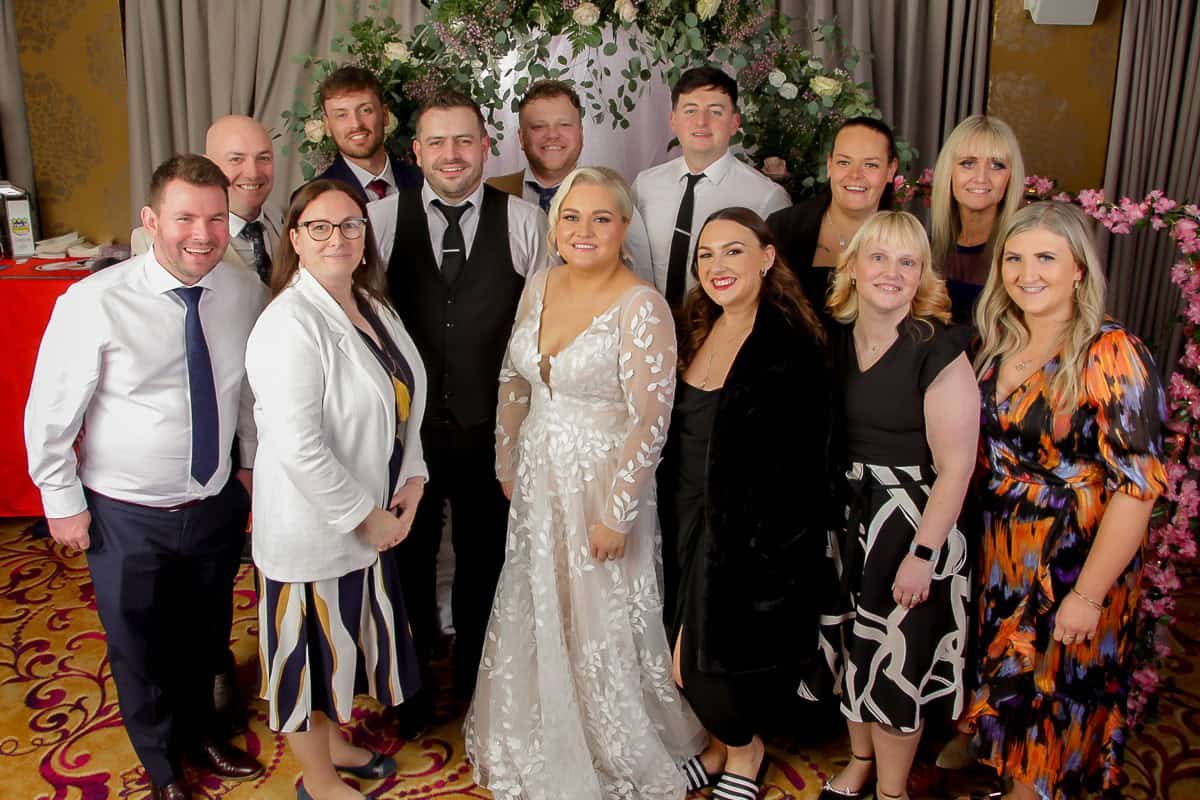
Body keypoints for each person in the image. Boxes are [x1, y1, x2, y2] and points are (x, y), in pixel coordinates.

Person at [25, 154, 267, 800]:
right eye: (185, 218)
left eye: (216, 219)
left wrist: (247, 466)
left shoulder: (243, 292)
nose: (203, 235)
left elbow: (247, 393)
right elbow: (51, 411)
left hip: (213, 501)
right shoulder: (94, 302)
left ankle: (202, 734)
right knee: (139, 643)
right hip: (124, 512)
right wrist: (61, 499)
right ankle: (161, 767)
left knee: (206, 634)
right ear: (151, 221)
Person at [464, 166, 705, 798]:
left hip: (603, 481)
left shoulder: (642, 305)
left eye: (601, 218)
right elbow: (513, 378)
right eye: (571, 217)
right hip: (538, 473)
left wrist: (617, 513)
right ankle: (545, 723)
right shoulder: (541, 284)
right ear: (555, 226)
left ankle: (617, 737)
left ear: (625, 227)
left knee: (601, 611)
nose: (585, 230)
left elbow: (651, 420)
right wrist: (507, 461)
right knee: (541, 597)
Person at [961, 202, 1166, 800]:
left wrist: (1088, 594)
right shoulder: (997, 340)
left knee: (1055, 694)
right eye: (1014, 258)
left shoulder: (1111, 352)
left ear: (1079, 269)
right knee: (1013, 686)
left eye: (1046, 258)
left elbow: (1137, 488)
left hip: (1074, 556)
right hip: (1000, 551)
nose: (1027, 274)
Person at [366, 89, 547, 731]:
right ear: (416, 151)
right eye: (437, 142)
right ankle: (411, 688)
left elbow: (543, 325)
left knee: (485, 562)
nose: (451, 154)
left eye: (464, 140)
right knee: (406, 562)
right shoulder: (378, 221)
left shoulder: (524, 222)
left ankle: (477, 688)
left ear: (486, 147)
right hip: (404, 435)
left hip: (489, 430)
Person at [245, 179, 426, 800]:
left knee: (340, 650)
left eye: (350, 225)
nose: (337, 238)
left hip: (371, 515)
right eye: (319, 227)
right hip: (314, 529)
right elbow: (299, 446)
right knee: (306, 665)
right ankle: (318, 780)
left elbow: (404, 401)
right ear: (295, 239)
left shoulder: (370, 303)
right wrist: (366, 518)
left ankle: (337, 746)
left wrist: (414, 476)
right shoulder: (287, 323)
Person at [657, 207, 835, 800]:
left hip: (742, 531)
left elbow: (807, 463)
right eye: (706, 255)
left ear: (766, 257)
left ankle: (744, 749)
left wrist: (767, 542)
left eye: (733, 250)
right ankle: (714, 747)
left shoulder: (792, 343)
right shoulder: (694, 326)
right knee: (669, 646)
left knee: (697, 662)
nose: (717, 265)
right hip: (680, 512)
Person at [812, 211, 978, 800]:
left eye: (908, 262)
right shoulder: (834, 338)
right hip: (846, 521)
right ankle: (860, 761)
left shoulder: (938, 349)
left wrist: (923, 555)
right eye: (879, 257)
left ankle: (891, 791)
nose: (892, 272)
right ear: (853, 267)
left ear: (921, 276)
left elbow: (957, 468)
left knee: (893, 666)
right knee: (849, 652)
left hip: (910, 525)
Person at [630, 66, 791, 308]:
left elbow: (778, 285)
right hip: (649, 319)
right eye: (690, 110)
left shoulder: (767, 197)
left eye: (715, 112)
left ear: (734, 122)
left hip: (723, 324)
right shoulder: (644, 186)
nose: (701, 122)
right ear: (673, 120)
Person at [766, 117, 899, 318]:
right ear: (829, 165)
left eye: (871, 165)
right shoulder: (782, 228)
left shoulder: (907, 242)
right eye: (844, 162)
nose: (855, 175)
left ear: (890, 170)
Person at [132, 115, 282, 284]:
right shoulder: (153, 239)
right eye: (236, 159)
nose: (253, 173)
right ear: (209, 164)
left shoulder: (288, 221)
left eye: (263, 158)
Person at [929, 115, 1026, 322]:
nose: (981, 177)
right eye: (968, 163)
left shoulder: (1021, 252)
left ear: (1011, 176)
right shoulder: (927, 247)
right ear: (949, 171)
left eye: (997, 165)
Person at [316, 65, 422, 200]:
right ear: (327, 126)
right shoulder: (315, 198)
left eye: (365, 110)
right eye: (341, 115)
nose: (356, 124)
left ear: (385, 115)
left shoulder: (425, 180)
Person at [487, 79, 585, 211]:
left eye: (564, 125)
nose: (552, 135)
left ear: (581, 134)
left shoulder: (607, 193)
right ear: (522, 138)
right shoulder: (493, 192)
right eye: (539, 126)